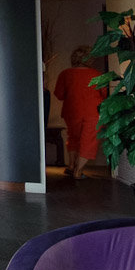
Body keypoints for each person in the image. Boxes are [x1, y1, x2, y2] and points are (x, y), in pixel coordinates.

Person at [53, 46, 107, 179]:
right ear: (90, 59)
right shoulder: (98, 75)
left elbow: (59, 94)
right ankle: (78, 171)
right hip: (93, 112)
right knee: (88, 141)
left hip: (71, 111)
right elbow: (105, 95)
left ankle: (71, 166)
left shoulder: (65, 74)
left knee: (73, 138)